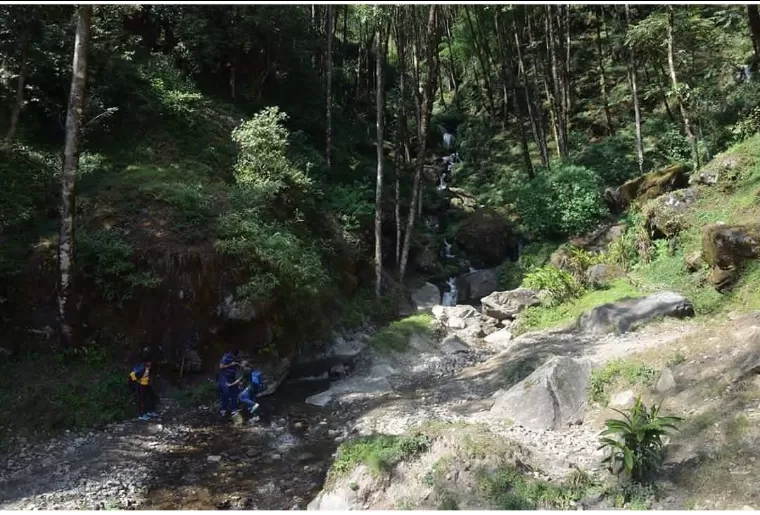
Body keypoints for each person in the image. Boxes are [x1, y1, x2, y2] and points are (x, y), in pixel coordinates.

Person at [218, 348, 240, 416]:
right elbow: (221, 366)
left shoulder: (235, 358)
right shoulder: (226, 357)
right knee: (225, 393)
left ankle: (233, 409)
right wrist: (231, 364)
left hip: (232, 378)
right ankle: (223, 409)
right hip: (225, 377)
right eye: (234, 356)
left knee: (235, 392)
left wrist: (238, 364)